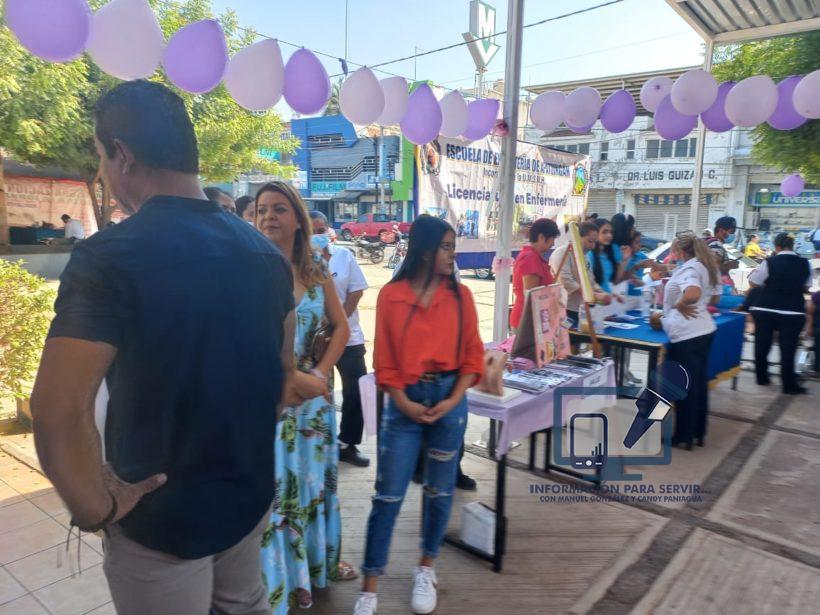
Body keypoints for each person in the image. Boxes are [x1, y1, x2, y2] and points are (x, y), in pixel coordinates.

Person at [30, 80, 295, 615]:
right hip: (246, 494)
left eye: (101, 157)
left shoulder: (111, 256)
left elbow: (58, 410)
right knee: (245, 604)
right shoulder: (265, 255)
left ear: (122, 154)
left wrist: (95, 508)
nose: (103, 171)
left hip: (159, 517)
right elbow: (280, 382)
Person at [354, 214, 484, 615]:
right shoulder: (392, 296)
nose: (452, 255)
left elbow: (472, 356)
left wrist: (453, 399)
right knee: (388, 495)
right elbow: (384, 360)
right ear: (425, 251)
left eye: (453, 247)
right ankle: (369, 587)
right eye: (446, 247)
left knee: (440, 491)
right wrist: (404, 401)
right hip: (403, 401)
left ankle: (426, 567)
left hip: (449, 401)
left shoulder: (461, 297)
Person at [255, 181, 356, 611]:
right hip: (269, 403)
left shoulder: (316, 269)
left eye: (279, 208)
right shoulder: (248, 271)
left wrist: (318, 372)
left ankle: (314, 568)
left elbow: (342, 327)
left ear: (298, 219)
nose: (268, 217)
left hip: (313, 405)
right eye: (261, 210)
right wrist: (287, 378)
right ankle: (280, 583)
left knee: (313, 487)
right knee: (277, 493)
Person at [309, 210, 371, 467]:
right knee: (317, 392)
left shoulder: (344, 256)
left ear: (329, 231)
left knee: (355, 391)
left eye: (321, 230)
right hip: (313, 343)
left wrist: (339, 322)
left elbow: (357, 291)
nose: (318, 235)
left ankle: (348, 444)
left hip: (349, 337)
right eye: (312, 230)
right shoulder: (299, 261)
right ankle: (317, 443)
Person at [649, 232, 719, 449]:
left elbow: (692, 293)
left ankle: (683, 436)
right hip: (703, 329)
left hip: (687, 334)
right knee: (698, 384)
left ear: (680, 250)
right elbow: (714, 297)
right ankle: (697, 432)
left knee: (683, 386)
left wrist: (679, 305)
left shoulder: (690, 269)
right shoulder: (703, 265)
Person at [748, 232, 812, 395]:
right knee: (788, 349)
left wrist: (769, 287)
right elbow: (806, 287)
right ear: (792, 246)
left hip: (765, 309)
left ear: (777, 247)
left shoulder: (769, 262)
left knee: (762, 345)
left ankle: (762, 378)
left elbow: (753, 282)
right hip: (792, 311)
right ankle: (788, 385)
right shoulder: (805, 263)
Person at [550, 221, 611, 328]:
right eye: (590, 241)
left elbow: (591, 280)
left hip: (581, 308)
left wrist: (602, 293)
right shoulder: (562, 253)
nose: (592, 246)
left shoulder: (585, 256)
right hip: (566, 308)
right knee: (567, 336)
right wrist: (594, 295)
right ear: (577, 237)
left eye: (595, 242)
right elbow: (566, 281)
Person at [510, 218, 560, 330]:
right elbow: (531, 295)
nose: (553, 244)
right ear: (541, 237)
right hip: (528, 321)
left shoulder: (533, 256)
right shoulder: (530, 258)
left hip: (533, 318)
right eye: (552, 239)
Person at [588, 218, 631, 294]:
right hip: (597, 299)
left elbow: (615, 281)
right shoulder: (589, 254)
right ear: (595, 234)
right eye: (604, 232)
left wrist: (624, 260)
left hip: (608, 298)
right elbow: (588, 284)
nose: (609, 235)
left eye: (611, 232)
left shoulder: (606, 255)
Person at [705, 216, 739, 291]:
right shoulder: (716, 245)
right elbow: (714, 269)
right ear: (721, 230)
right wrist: (730, 265)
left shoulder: (715, 243)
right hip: (714, 289)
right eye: (732, 231)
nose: (733, 234)